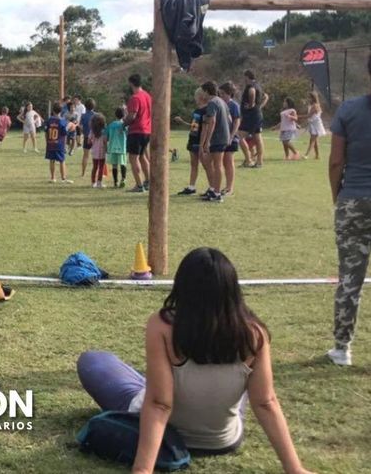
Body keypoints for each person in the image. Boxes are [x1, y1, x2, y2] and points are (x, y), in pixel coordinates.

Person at [77, 247, 312, 474]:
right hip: (223, 440)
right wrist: (294, 468)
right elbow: (266, 402)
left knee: (93, 360)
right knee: (239, 382)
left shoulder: (162, 326)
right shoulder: (255, 333)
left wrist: (143, 469)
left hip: (166, 434)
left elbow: (159, 404)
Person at [327, 53, 371, 366]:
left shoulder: (349, 110)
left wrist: (337, 195)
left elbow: (336, 162)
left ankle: (342, 349)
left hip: (354, 199)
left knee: (350, 277)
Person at [199, 81, 230, 203]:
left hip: (218, 138)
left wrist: (207, 141)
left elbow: (212, 122)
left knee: (217, 165)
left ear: (207, 91)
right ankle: (213, 189)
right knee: (208, 162)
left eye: (203, 92)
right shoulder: (221, 101)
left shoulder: (212, 103)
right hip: (222, 136)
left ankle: (217, 194)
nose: (202, 95)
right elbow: (229, 119)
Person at [174, 88, 209, 196]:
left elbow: (206, 127)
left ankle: (212, 187)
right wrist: (183, 122)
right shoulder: (196, 111)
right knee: (194, 164)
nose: (195, 99)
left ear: (202, 97)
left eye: (196, 96)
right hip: (192, 139)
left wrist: (204, 143)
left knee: (206, 165)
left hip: (201, 140)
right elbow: (194, 126)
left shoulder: (207, 110)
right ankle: (191, 187)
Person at [124, 74, 152, 192]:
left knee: (133, 158)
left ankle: (139, 185)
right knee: (142, 156)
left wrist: (123, 124)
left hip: (136, 131)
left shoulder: (135, 98)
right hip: (147, 130)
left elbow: (132, 116)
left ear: (131, 83)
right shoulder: (147, 96)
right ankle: (148, 181)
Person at [239, 69, 269, 168]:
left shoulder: (251, 86)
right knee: (257, 137)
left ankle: (249, 160)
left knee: (240, 136)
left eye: (244, 77)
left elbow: (252, 92)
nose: (243, 79)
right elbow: (266, 96)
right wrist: (259, 107)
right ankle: (258, 161)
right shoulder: (258, 85)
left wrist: (252, 105)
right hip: (255, 115)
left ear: (247, 77)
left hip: (251, 116)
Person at [219, 82, 241, 196]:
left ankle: (230, 188)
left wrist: (231, 136)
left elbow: (237, 121)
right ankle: (225, 186)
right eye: (220, 94)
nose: (221, 96)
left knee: (228, 161)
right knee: (223, 162)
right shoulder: (220, 104)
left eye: (223, 94)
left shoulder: (234, 105)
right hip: (221, 137)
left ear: (229, 94)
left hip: (231, 138)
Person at [45, 104, 75, 184]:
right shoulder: (62, 121)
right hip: (59, 144)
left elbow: (46, 132)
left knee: (52, 160)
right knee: (62, 161)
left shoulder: (49, 120)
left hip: (50, 143)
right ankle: (63, 178)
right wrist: (70, 126)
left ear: (53, 111)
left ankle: (53, 178)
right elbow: (64, 133)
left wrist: (47, 142)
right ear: (61, 111)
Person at [105, 106, 128, 188]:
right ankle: (123, 179)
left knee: (114, 165)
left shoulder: (111, 125)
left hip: (112, 147)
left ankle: (115, 182)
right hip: (122, 147)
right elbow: (128, 135)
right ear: (124, 115)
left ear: (115, 115)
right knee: (123, 163)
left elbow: (106, 137)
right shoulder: (124, 125)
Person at [302, 91, 327, 159]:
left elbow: (309, 115)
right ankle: (317, 155)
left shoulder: (315, 106)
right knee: (315, 140)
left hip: (316, 125)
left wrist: (297, 116)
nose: (308, 99)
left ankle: (306, 155)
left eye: (309, 97)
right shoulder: (311, 105)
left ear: (313, 98)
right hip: (313, 124)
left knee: (312, 140)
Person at [79, 99, 97, 178]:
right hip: (95, 138)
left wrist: (83, 132)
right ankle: (97, 173)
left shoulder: (83, 115)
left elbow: (80, 127)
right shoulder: (96, 115)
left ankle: (83, 173)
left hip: (86, 137)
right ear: (94, 106)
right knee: (96, 156)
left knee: (85, 156)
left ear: (85, 106)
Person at [89, 113, 108, 188]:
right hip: (102, 152)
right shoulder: (104, 132)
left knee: (94, 167)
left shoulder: (92, 131)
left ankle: (93, 182)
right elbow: (105, 142)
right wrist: (106, 149)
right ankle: (99, 183)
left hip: (94, 152)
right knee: (101, 168)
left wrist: (93, 142)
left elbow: (88, 141)